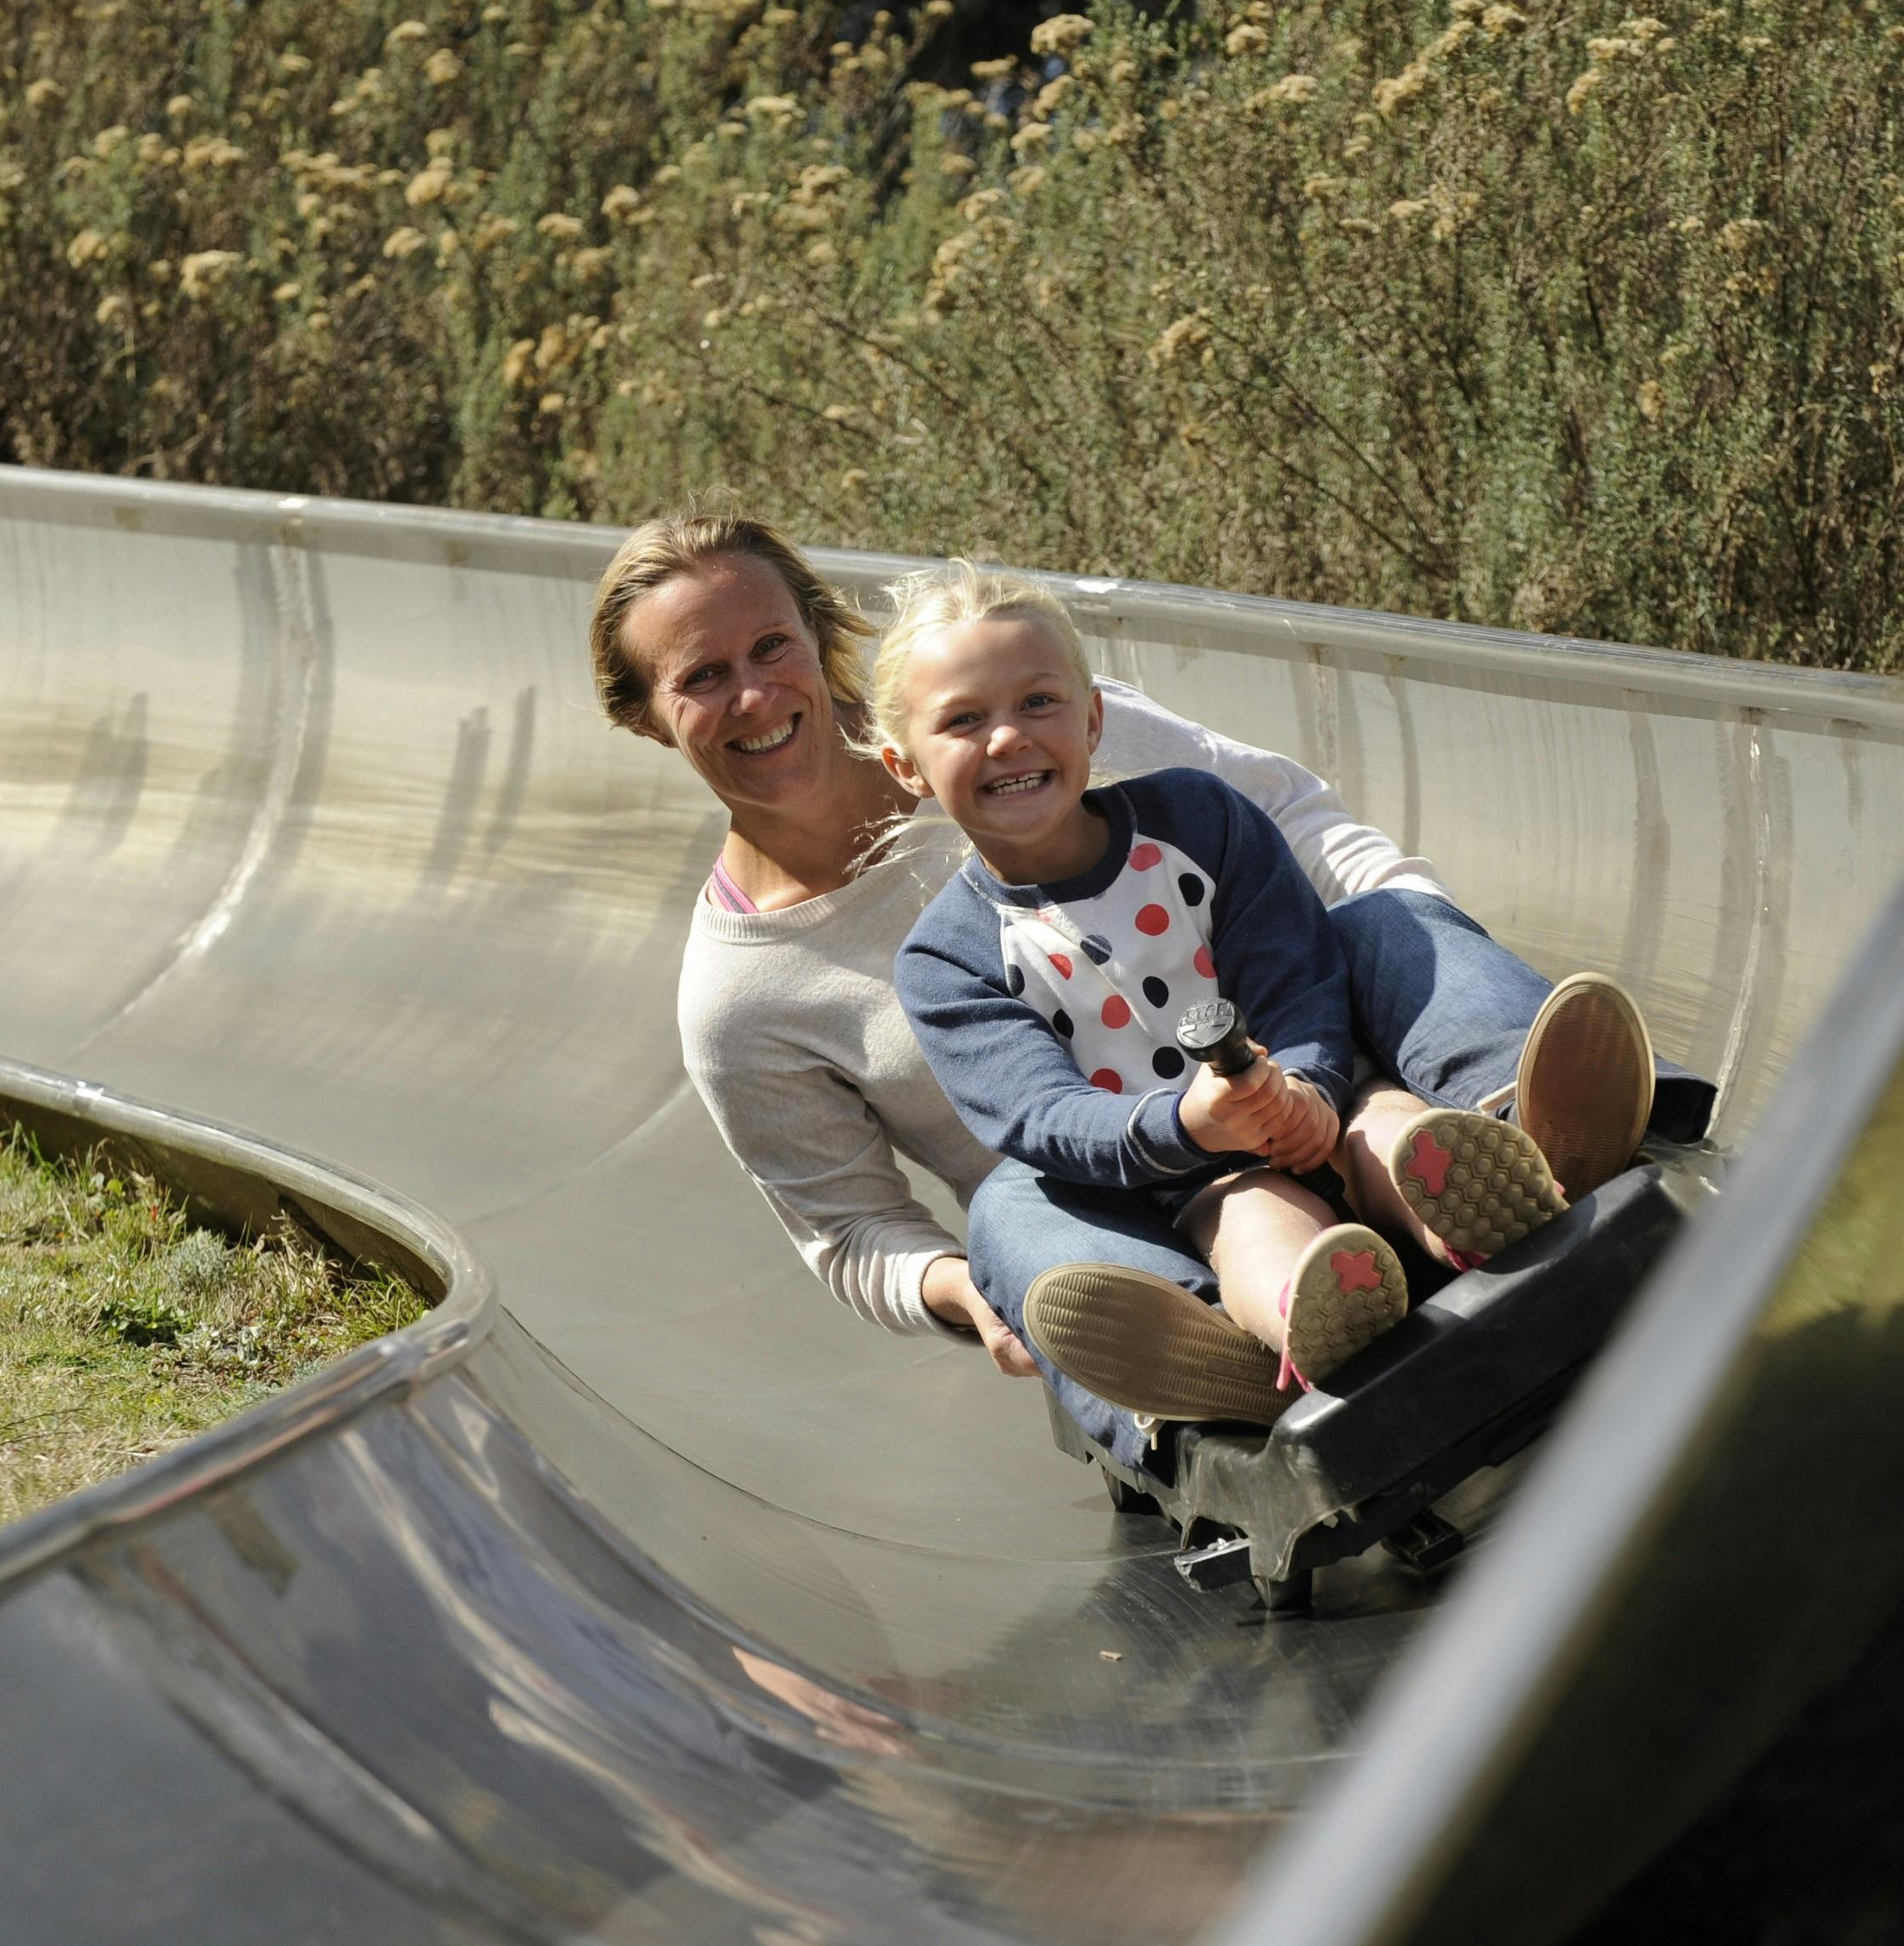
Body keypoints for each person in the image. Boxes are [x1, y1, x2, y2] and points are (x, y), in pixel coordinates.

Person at [589, 506, 1705, 1454]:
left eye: (769, 647)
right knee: (1008, 1211)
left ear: (815, 635)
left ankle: (1530, 1128)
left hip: (1323, 1063)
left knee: (1378, 918)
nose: (753, 695)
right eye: (701, 677)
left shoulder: (1037, 710)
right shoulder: (749, 995)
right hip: (1123, 1195)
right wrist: (975, 1290)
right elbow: (849, 1231)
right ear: (646, 716)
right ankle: (1229, 1352)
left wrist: (1411, 957)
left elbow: (1294, 823)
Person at [874, 561, 1564, 1393]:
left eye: (1038, 702)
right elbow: (1039, 1112)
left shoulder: (1198, 818)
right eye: (963, 720)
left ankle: (1475, 1203)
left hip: (1337, 1095)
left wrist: (1304, 1087)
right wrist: (1190, 1126)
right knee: (1255, 1225)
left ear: (1092, 719)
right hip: (1199, 1176)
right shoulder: (947, 959)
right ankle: (1319, 1313)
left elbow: (1291, 966)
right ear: (906, 767)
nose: (1008, 737)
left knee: (1392, 1131)